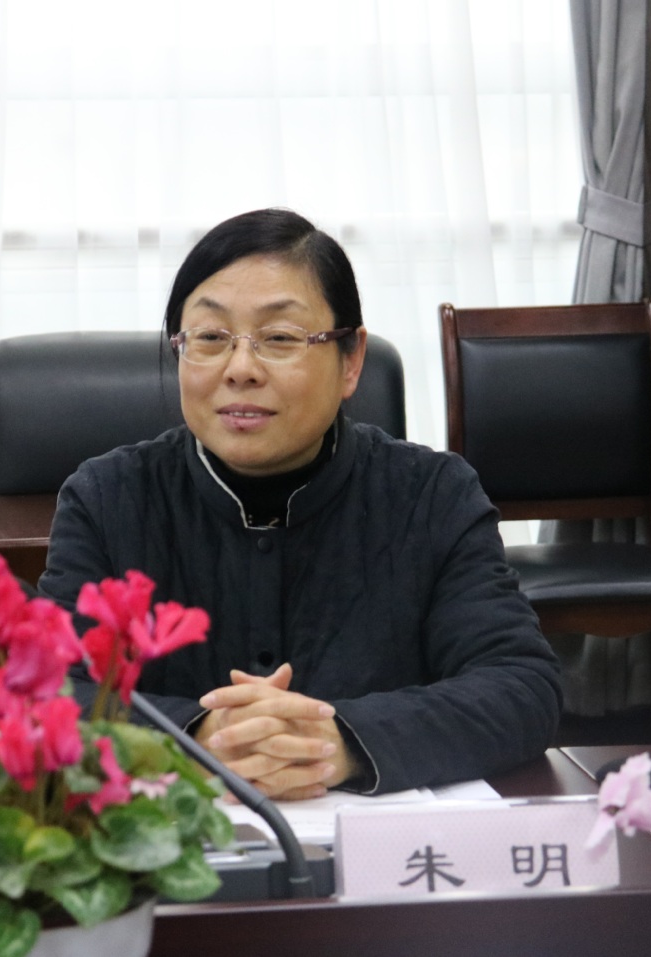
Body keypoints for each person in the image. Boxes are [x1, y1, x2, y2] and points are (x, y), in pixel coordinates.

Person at [38, 207, 562, 800]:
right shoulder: (107, 500)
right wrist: (198, 738)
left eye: (280, 338)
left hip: (380, 847)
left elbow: (521, 688)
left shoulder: (433, 496)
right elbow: (46, 691)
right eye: (210, 338)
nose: (240, 369)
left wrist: (337, 743)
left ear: (351, 360)